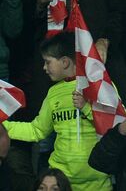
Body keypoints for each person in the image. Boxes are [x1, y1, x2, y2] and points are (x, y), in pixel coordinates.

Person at [2, 34, 107, 191]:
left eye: (47, 62)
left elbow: (116, 126)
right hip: (61, 182)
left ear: (64, 62)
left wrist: (86, 108)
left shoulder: (101, 86)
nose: (44, 67)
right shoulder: (53, 93)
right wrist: (1, 126)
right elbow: (36, 130)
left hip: (97, 182)